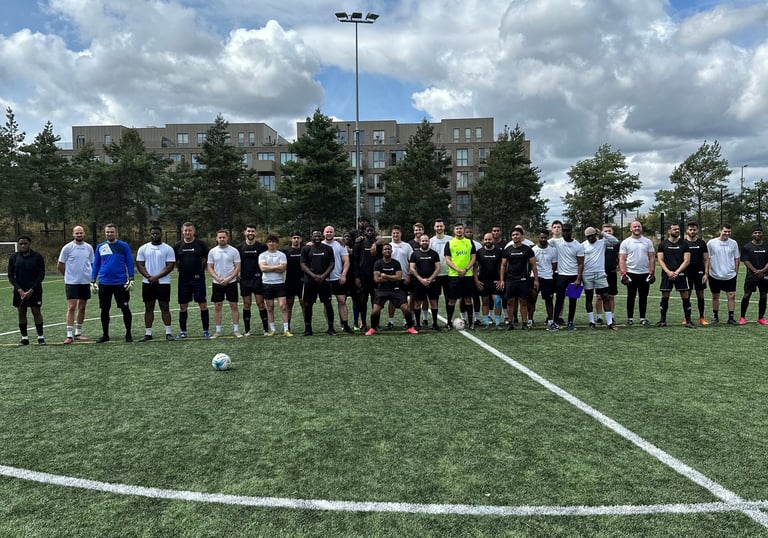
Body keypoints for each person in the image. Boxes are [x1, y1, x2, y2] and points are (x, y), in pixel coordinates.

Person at [92, 223, 135, 343]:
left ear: (116, 233)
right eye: (107, 232)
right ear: (104, 233)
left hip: (121, 283)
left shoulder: (123, 246)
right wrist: (93, 279)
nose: (109, 234)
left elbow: (129, 262)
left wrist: (131, 278)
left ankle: (128, 334)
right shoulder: (100, 247)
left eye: (112, 232)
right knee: (104, 309)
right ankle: (105, 335)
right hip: (104, 283)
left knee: (125, 308)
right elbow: (96, 264)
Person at [365, 243, 418, 335]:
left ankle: (410, 327)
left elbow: (399, 277)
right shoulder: (378, 263)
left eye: (389, 249)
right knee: (375, 310)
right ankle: (373, 328)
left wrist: (385, 276)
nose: (387, 251)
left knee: (406, 308)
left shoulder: (396, 263)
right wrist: (392, 277)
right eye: (385, 249)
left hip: (395, 289)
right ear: (382, 251)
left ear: (391, 251)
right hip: (382, 290)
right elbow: (376, 279)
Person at [136, 226, 176, 341]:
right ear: (150, 234)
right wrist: (149, 277)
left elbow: (170, 266)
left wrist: (157, 277)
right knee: (149, 307)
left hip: (163, 283)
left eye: (157, 233)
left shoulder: (168, 249)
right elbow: (140, 264)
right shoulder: (143, 248)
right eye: (153, 233)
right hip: (147, 282)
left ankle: (168, 332)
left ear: (161, 234)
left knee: (165, 306)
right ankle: (148, 333)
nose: (155, 235)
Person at [57, 225, 94, 343]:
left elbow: (92, 263)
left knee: (82, 307)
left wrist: (91, 278)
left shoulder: (89, 247)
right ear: (73, 234)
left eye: (81, 233)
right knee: (71, 307)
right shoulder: (67, 248)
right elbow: (60, 265)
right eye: (77, 233)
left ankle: (78, 333)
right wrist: (68, 276)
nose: (79, 235)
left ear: (84, 234)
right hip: (71, 283)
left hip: (85, 282)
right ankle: (69, 335)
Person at [174, 222, 211, 339]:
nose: (187, 232)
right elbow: (174, 261)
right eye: (185, 230)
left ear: (194, 231)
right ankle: (183, 331)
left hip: (198, 279)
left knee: (203, 304)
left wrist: (203, 269)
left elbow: (208, 258)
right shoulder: (178, 245)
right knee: (183, 306)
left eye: (190, 230)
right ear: (182, 231)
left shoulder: (201, 244)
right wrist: (180, 269)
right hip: (183, 280)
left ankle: (206, 330)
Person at [8, 235, 46, 346]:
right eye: (21, 244)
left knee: (36, 312)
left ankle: (40, 337)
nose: (23, 246)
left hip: (34, 290)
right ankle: (24, 338)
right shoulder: (14, 258)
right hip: (19, 291)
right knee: (21, 312)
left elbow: (41, 275)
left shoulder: (38, 257)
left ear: (30, 244)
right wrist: (19, 289)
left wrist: (32, 290)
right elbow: (10, 275)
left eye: (25, 243)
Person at [498, 227, 538, 330]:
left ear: (521, 236)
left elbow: (533, 265)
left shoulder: (528, 249)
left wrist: (536, 279)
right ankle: (510, 323)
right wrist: (502, 280)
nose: (515, 236)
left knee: (523, 302)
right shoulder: (507, 249)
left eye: (517, 234)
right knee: (510, 302)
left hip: (523, 279)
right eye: (513, 235)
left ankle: (524, 323)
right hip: (510, 280)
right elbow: (503, 265)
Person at [581, 226, 619, 331]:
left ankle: (610, 322)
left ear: (596, 235)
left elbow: (615, 241)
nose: (590, 238)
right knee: (589, 298)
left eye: (592, 236)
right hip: (587, 274)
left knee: (606, 296)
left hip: (600, 274)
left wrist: (602, 233)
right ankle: (591, 322)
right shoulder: (582, 245)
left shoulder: (602, 243)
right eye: (588, 236)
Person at [656, 223, 694, 328]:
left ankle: (688, 321)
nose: (677, 231)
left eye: (678, 229)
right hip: (667, 274)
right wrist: (668, 271)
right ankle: (662, 321)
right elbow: (660, 259)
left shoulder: (684, 244)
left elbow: (687, 260)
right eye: (674, 229)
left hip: (681, 274)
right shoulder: (663, 244)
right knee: (665, 296)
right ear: (669, 231)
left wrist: (677, 272)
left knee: (685, 296)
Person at [618, 220, 655, 326]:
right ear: (631, 229)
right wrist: (623, 273)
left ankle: (643, 318)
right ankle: (630, 318)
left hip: (644, 273)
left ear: (641, 228)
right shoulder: (626, 242)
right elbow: (622, 259)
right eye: (634, 226)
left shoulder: (648, 242)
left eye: (639, 226)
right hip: (631, 273)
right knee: (631, 296)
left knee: (643, 297)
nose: (637, 228)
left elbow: (652, 257)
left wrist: (651, 272)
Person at [206, 230, 242, 338]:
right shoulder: (212, 251)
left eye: (224, 237)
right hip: (217, 283)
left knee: (234, 306)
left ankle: (236, 330)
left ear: (227, 238)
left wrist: (229, 278)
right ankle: (217, 331)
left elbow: (237, 267)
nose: (222, 239)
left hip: (231, 282)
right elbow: (210, 267)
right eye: (220, 237)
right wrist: (218, 278)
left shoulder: (234, 251)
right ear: (216, 238)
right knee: (217, 306)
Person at [300, 230, 336, 336]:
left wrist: (323, 276)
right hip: (310, 281)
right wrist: (314, 276)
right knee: (308, 304)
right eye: (315, 236)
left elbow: (332, 264)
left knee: (328, 304)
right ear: (311, 237)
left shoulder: (328, 249)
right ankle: (308, 329)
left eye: (319, 236)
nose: (317, 238)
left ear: (322, 237)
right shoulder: (306, 249)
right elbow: (303, 265)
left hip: (324, 280)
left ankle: (331, 328)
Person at [550, 223, 584, 330]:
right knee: (559, 299)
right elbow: (542, 243)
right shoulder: (556, 242)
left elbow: (580, 263)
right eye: (564, 230)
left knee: (573, 300)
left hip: (574, 276)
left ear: (571, 231)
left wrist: (578, 279)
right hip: (561, 276)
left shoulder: (578, 245)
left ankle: (570, 322)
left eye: (567, 230)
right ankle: (555, 322)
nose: (565, 232)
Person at [236, 224, 268, 336]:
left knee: (261, 304)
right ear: (245, 232)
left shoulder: (262, 247)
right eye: (248, 231)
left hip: (258, 279)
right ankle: (247, 330)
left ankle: (266, 330)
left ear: (256, 233)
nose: (250, 233)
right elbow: (235, 262)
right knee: (247, 304)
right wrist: (237, 273)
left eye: (252, 231)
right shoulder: (239, 248)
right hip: (244, 280)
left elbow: (272, 252)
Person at [444, 222, 477, 329]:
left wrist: (466, 269)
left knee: (468, 299)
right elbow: (447, 260)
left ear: (463, 230)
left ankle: (471, 323)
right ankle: (449, 323)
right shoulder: (449, 243)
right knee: (452, 300)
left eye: (460, 228)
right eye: (457, 228)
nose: (459, 230)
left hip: (467, 275)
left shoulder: (469, 242)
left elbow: (473, 258)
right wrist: (458, 270)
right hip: (454, 276)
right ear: (454, 231)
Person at [706, 224, 740, 324]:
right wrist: (707, 272)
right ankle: (715, 317)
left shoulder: (733, 243)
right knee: (715, 296)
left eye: (729, 231)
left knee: (731, 296)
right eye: (725, 231)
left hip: (730, 275)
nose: (727, 233)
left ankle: (731, 318)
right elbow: (707, 258)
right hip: (714, 275)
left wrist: (735, 272)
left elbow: (737, 258)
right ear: (720, 231)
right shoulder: (711, 243)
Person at [259, 233, 291, 336]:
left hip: (279, 283)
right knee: (270, 307)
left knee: (283, 306)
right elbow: (263, 268)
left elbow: (283, 269)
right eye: (269, 241)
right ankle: (272, 329)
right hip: (267, 283)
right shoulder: (262, 255)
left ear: (277, 243)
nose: (271, 243)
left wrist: (269, 267)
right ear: (267, 243)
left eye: (273, 241)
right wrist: (277, 267)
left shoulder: (281, 255)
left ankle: (286, 329)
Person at [322, 225, 353, 333]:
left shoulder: (340, 245)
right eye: (327, 232)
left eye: (331, 232)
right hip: (325, 279)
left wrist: (343, 275)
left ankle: (345, 324)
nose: (329, 233)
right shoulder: (319, 245)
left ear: (334, 233)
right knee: (327, 303)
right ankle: (330, 326)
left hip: (338, 278)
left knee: (342, 301)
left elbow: (346, 261)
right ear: (323, 233)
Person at [409, 233, 442, 331]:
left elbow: (438, 268)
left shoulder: (434, 254)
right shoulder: (415, 254)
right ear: (420, 242)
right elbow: (412, 268)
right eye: (423, 241)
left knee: (433, 303)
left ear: (429, 242)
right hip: (419, 283)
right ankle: (418, 324)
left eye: (426, 240)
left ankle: (435, 324)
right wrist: (421, 279)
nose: (424, 242)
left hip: (432, 282)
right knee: (417, 303)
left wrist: (430, 279)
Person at [354, 224, 382, 331]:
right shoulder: (359, 244)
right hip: (363, 277)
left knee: (376, 301)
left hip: (375, 277)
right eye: (368, 230)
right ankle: (364, 323)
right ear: (364, 232)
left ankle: (375, 324)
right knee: (362, 301)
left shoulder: (378, 244)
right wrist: (357, 277)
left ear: (374, 232)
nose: (369, 232)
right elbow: (355, 261)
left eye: (371, 231)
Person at [739, 224, 768, 324]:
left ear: (762, 234)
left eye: (759, 232)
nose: (757, 234)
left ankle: (761, 318)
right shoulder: (747, 247)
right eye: (755, 233)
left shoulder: (766, 246)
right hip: (751, 275)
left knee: (763, 295)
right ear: (752, 234)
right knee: (747, 295)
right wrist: (755, 271)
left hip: (764, 274)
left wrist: (762, 271)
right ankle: (742, 317)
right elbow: (746, 261)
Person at [474, 232, 503, 328]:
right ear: (483, 240)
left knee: (497, 302)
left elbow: (502, 266)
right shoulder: (479, 252)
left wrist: (501, 280)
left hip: (495, 282)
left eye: (489, 239)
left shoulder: (499, 251)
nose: (487, 241)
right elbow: (475, 267)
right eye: (486, 239)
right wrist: (476, 281)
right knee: (485, 302)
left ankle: (498, 323)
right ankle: (486, 322)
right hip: (483, 282)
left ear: (493, 240)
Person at [387, 225, 413, 329]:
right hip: (391, 278)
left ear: (401, 234)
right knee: (391, 301)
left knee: (404, 301)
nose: (395, 235)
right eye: (394, 233)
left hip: (404, 278)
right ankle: (391, 322)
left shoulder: (407, 246)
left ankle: (405, 321)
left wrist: (409, 275)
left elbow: (411, 262)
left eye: (397, 233)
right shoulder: (388, 246)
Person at [684, 222, 710, 325]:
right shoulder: (683, 243)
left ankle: (702, 317)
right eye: (690, 229)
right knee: (687, 294)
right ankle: (686, 317)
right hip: (687, 272)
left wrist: (706, 273)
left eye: (694, 229)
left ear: (697, 230)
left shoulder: (702, 243)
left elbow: (706, 259)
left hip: (699, 272)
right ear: (687, 230)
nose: (692, 231)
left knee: (700, 294)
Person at [531, 229, 557, 329]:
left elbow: (554, 265)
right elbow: (531, 264)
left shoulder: (553, 250)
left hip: (548, 278)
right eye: (541, 237)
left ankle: (550, 321)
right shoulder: (533, 250)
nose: (543, 239)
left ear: (548, 238)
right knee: (532, 299)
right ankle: (530, 320)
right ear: (538, 237)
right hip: (535, 277)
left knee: (549, 300)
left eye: (545, 238)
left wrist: (547, 272)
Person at [429, 219, 453, 322]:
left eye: (441, 226)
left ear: (444, 227)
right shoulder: (431, 241)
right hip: (436, 275)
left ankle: (449, 321)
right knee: (435, 299)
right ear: (434, 227)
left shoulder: (451, 239)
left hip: (449, 274)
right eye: (437, 226)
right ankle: (435, 322)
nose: (439, 228)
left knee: (449, 299)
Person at [595, 223, 619, 325]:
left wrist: (619, 266)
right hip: (601, 273)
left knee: (611, 296)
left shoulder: (615, 244)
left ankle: (611, 317)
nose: (608, 233)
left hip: (612, 273)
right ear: (602, 232)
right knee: (599, 296)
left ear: (612, 232)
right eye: (605, 231)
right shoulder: (599, 243)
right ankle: (599, 317)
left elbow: (620, 256)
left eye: (609, 231)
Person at [282, 231, 305, 332]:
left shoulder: (304, 249)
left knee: (304, 304)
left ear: (301, 239)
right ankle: (288, 327)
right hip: (290, 281)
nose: (296, 240)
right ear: (291, 239)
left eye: (298, 238)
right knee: (289, 304)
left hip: (302, 281)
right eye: (294, 238)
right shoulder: (285, 251)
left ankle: (307, 325)